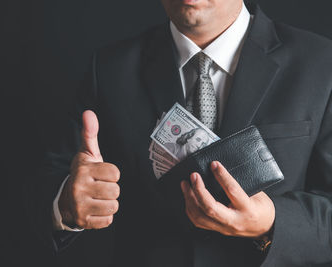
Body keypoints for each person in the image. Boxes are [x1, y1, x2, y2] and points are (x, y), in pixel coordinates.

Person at [26, 0, 332, 266]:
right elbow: (46, 185)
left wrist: (273, 222)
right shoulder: (108, 69)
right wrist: (65, 203)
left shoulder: (321, 64)